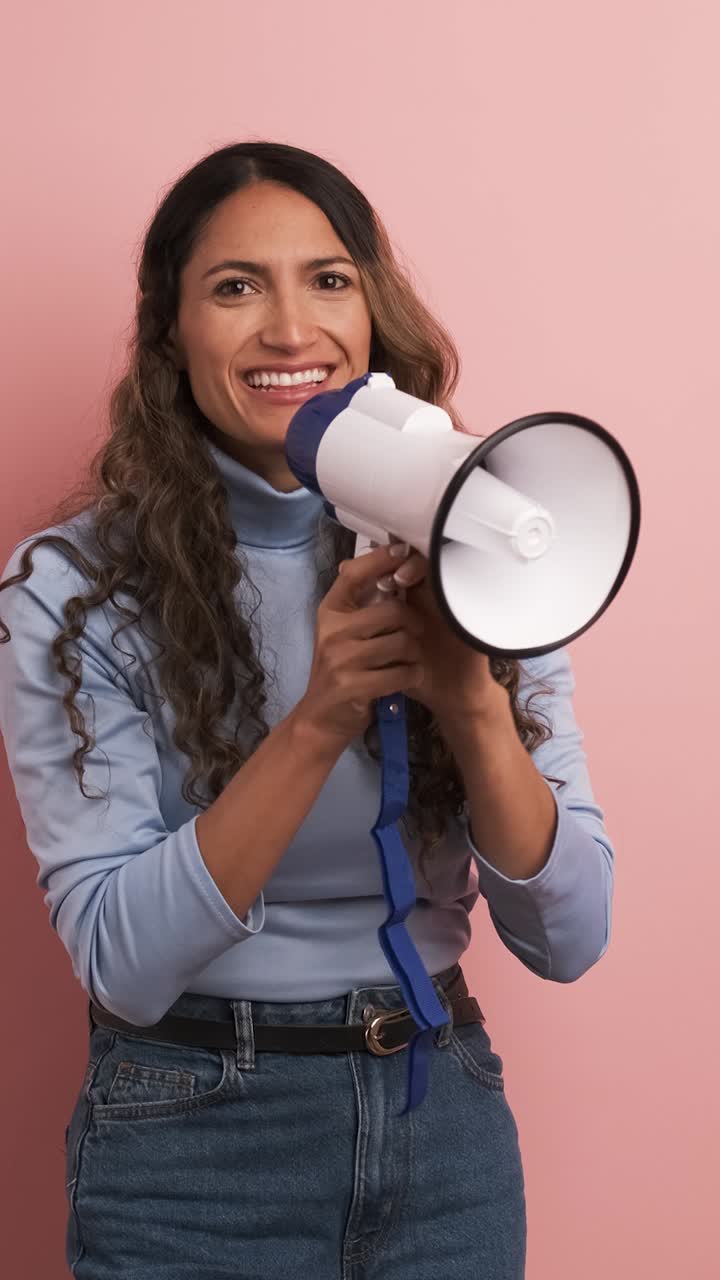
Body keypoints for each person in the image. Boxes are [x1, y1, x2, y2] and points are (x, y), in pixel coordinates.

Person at [0, 141, 614, 1280]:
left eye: (330, 280)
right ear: (169, 333)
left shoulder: (479, 535)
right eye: (237, 287)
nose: (292, 330)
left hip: (445, 1135)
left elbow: (570, 935)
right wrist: (324, 713)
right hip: (191, 1144)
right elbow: (121, 962)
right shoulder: (74, 590)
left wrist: (472, 703)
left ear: (374, 310)